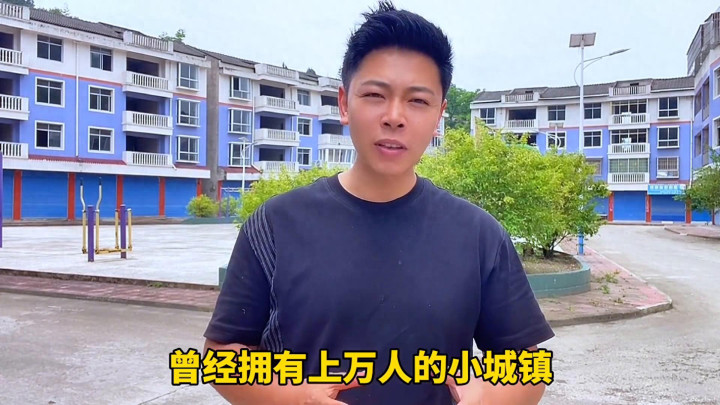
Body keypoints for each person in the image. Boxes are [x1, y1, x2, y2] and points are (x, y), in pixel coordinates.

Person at [203, 1, 555, 404]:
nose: (394, 117)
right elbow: (222, 356)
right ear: (344, 103)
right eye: (374, 94)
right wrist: (298, 398)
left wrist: (486, 397)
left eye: (417, 101)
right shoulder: (276, 224)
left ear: (439, 116)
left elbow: (527, 366)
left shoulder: (478, 234)